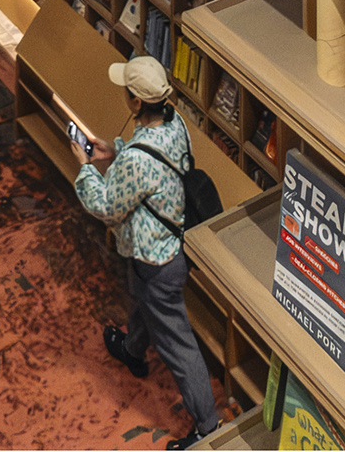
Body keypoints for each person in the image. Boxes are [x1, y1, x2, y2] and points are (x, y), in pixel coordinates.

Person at [74, 55, 219, 447]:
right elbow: (152, 160)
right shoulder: (176, 123)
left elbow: (106, 206)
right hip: (170, 245)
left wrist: (86, 167)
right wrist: (116, 151)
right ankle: (134, 351)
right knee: (142, 299)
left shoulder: (137, 161)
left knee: (180, 347)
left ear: (136, 103)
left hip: (158, 262)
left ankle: (208, 428)